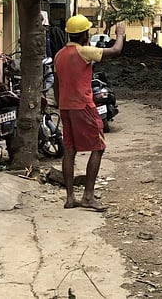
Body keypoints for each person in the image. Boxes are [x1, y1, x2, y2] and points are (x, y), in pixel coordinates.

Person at [53, 15, 125, 211]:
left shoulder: (59, 55)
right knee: (98, 146)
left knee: (69, 150)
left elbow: (57, 85)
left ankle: (70, 197)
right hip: (83, 106)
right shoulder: (84, 51)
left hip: (65, 107)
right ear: (84, 34)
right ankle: (88, 196)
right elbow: (115, 51)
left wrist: (60, 105)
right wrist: (120, 34)